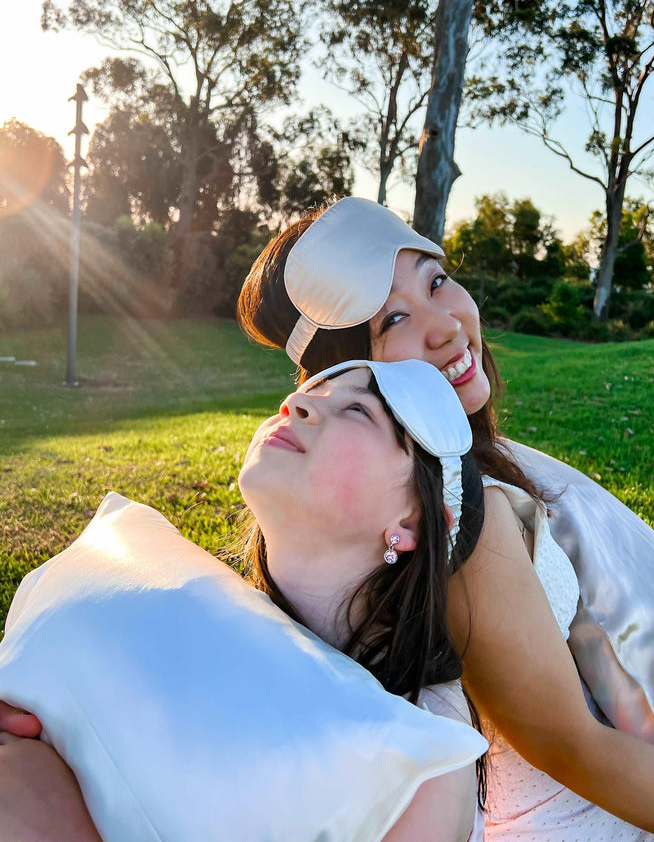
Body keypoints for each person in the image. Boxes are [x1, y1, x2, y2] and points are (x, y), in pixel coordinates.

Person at [235, 196, 654, 840]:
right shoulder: (453, 520)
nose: (448, 325)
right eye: (396, 319)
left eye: (436, 280)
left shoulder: (466, 463)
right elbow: (573, 747)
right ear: (350, 372)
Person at [0, 358, 487, 842]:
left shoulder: (427, 763)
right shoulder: (183, 606)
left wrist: (54, 819)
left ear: (412, 523)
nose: (295, 402)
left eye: (359, 410)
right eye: (314, 390)